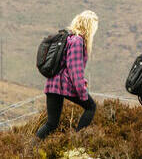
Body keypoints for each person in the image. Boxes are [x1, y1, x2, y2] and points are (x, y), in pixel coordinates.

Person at [35, 10, 99, 139]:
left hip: (52, 85)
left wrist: (82, 81)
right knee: (91, 107)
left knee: (51, 124)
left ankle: (29, 150)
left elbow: (66, 65)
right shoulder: (77, 41)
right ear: (89, 26)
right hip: (63, 85)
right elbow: (74, 69)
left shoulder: (69, 38)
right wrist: (82, 91)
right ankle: (77, 141)